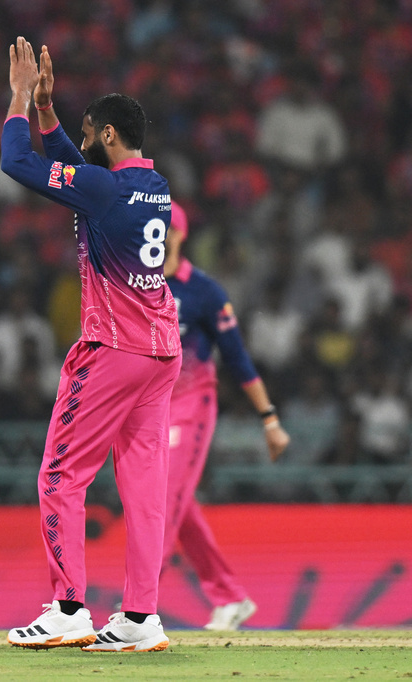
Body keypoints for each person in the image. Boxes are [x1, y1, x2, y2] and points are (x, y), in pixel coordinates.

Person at [1, 38, 181, 653]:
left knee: (60, 475)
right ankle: (140, 618)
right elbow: (74, 174)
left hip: (115, 347)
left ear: (106, 133)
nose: (79, 143)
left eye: (85, 133)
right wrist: (49, 113)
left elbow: (20, 166)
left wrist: (20, 98)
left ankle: (69, 607)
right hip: (162, 351)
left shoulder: (104, 189)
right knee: (144, 491)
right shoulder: (153, 185)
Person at [161, 201, 290, 630]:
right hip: (150, 411)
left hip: (191, 407)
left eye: (163, 231)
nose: (154, 239)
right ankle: (231, 597)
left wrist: (269, 419)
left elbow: (237, 360)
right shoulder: (135, 288)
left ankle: (137, 607)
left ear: (179, 234)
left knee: (162, 503)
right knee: (176, 505)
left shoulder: (204, 291)